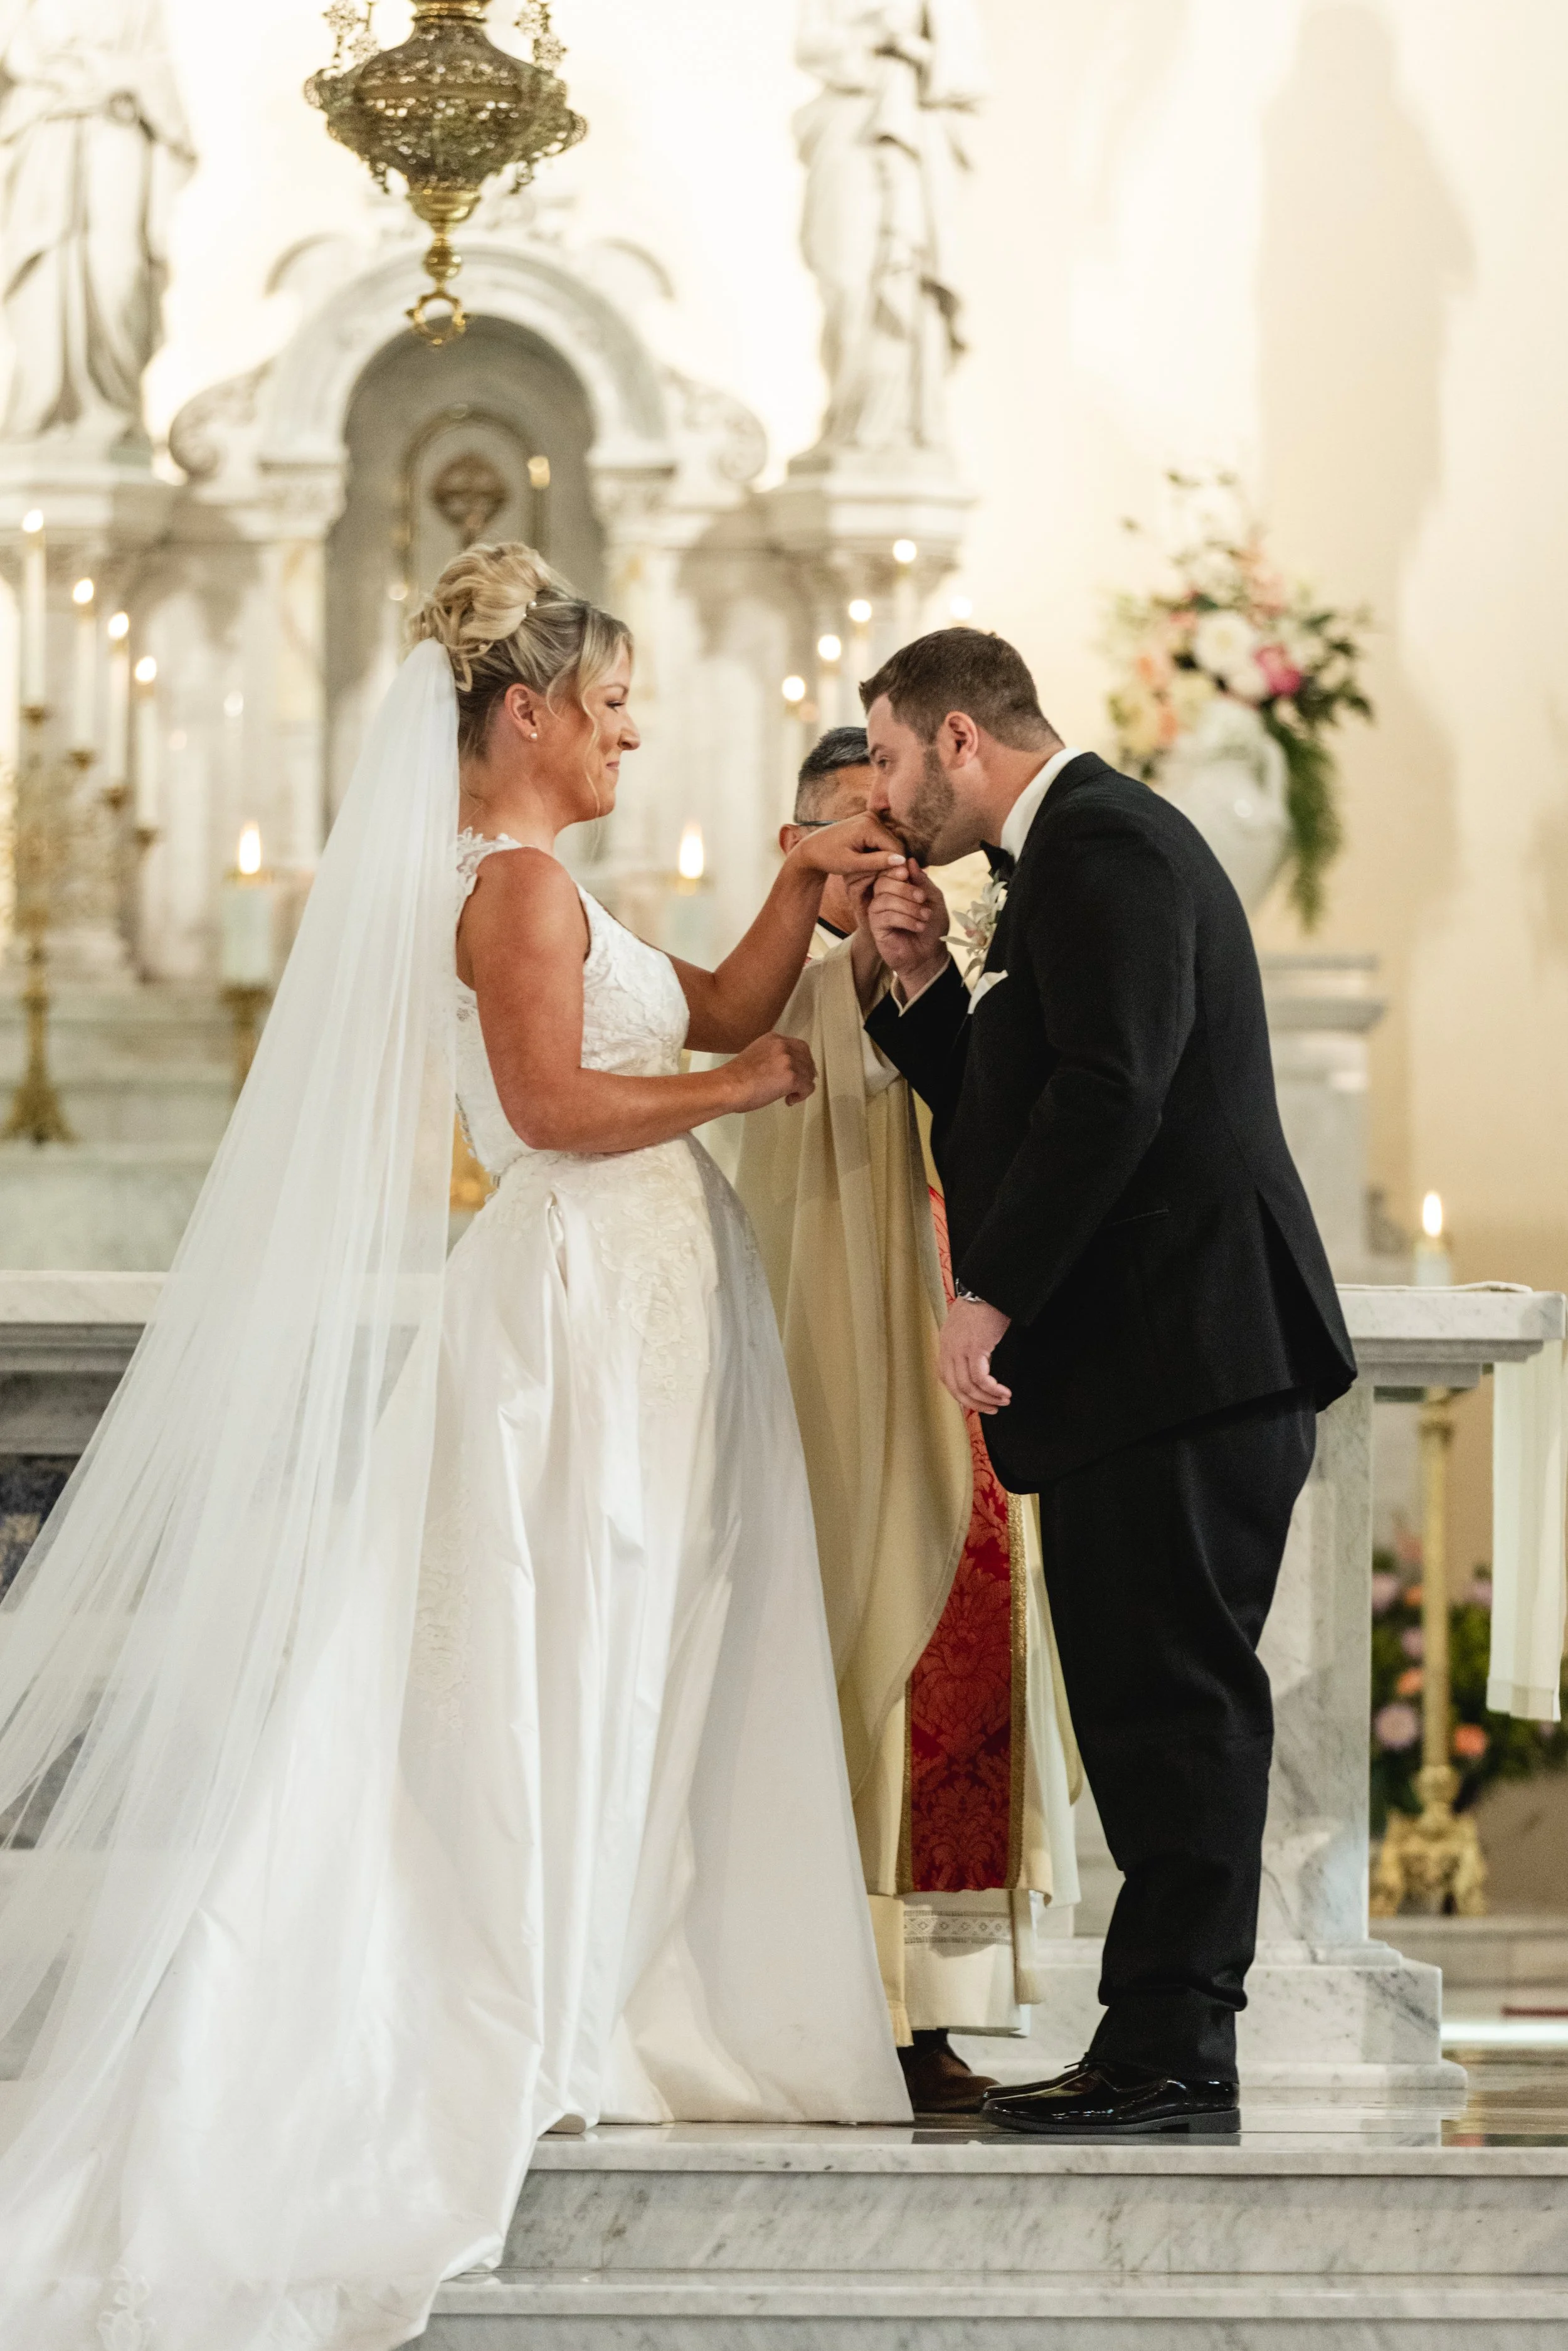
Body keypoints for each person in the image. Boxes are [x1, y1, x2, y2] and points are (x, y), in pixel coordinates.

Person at [0, 544, 911, 2351]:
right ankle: (542, 1993)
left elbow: (717, 1008)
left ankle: (617, 1968)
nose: (632, 733)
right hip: (575, 1310)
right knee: (555, 1641)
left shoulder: (554, 880)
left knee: (637, 1641)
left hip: (644, 1309)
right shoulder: (507, 892)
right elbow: (560, 1113)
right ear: (527, 710)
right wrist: (738, 1096)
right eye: (613, 704)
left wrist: (794, 891)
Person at [861, 628, 1357, 2138]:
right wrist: (919, 987)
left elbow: (1117, 1087)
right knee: (1142, 1705)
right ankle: (1150, 2040)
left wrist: (989, 1293)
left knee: (1175, 1704)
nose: (883, 797)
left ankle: (1174, 2051)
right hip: (1147, 1361)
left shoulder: (1108, 843)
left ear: (958, 736)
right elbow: (1025, 1099)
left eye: (885, 756)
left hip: (1188, 1351)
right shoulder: (1054, 863)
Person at [734, 724, 1081, 2116]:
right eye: (850, 842)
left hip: (954, 1396)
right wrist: (865, 978)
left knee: (958, 1650)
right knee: (823, 1648)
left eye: (898, 840)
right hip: (822, 1384)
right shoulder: (783, 998)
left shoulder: (970, 992)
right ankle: (817, 1984)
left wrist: (928, 972)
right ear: (798, 853)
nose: (881, 867)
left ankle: (926, 2005)